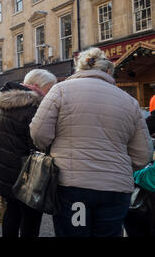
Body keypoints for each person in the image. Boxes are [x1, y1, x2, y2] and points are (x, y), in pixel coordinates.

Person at [30, 47, 153, 237]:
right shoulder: (130, 101)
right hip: (115, 189)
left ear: (79, 68)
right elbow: (143, 154)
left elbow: (39, 134)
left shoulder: (60, 91)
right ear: (108, 71)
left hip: (73, 188)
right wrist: (119, 166)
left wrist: (54, 149)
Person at [0, 69, 57, 237]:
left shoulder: (7, 104)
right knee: (31, 219)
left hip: (5, 170)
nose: (51, 93)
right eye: (49, 89)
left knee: (12, 212)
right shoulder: (33, 107)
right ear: (36, 86)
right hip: (28, 173)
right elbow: (38, 141)